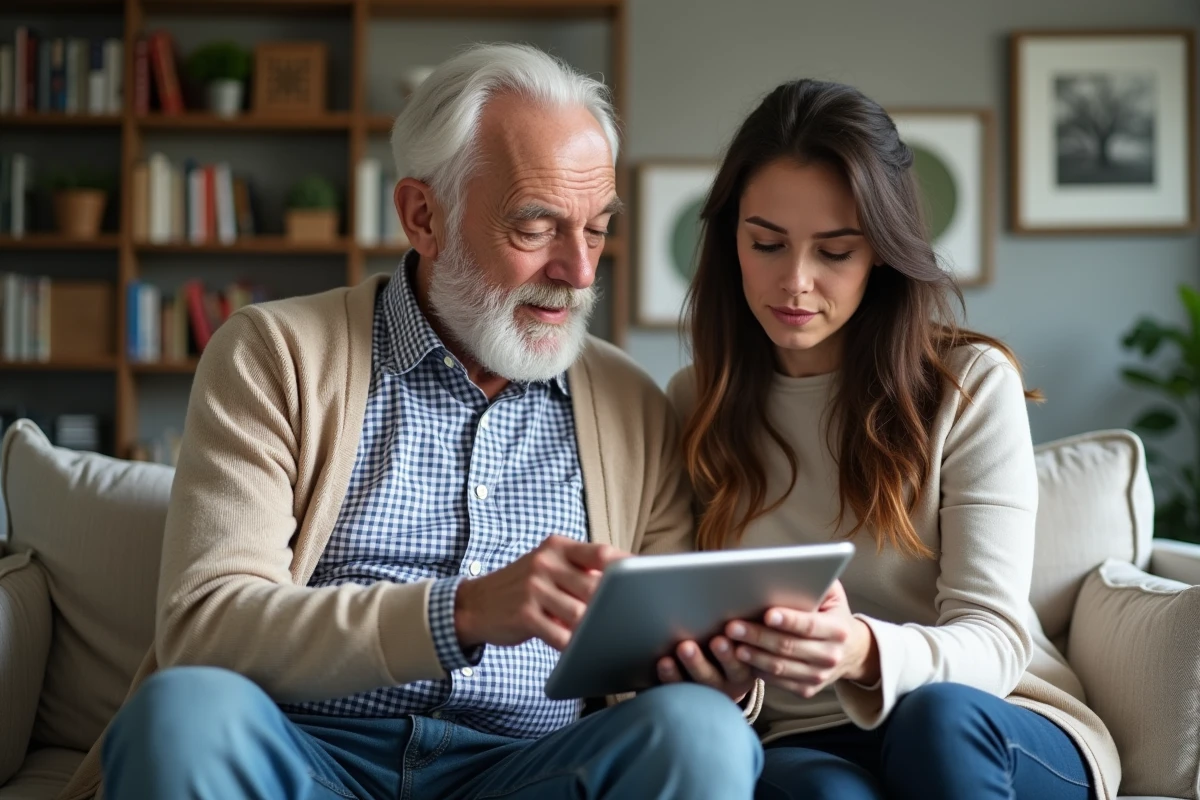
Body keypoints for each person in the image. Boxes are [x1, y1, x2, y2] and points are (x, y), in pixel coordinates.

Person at [59, 43, 764, 800]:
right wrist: (461, 613)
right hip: (304, 754)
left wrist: (719, 675)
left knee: (705, 733)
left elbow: (667, 653)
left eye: (595, 229)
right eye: (536, 227)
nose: (580, 271)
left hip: (532, 770)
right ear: (423, 216)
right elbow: (207, 626)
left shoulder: (631, 403)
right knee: (181, 713)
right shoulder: (275, 355)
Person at [661, 78, 1121, 800]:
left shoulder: (969, 384)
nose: (796, 282)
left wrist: (861, 650)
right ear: (731, 241)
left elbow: (996, 640)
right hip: (803, 735)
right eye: (767, 244)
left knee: (933, 726)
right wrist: (729, 672)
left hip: (992, 713)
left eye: (834, 252)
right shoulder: (696, 401)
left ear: (880, 252)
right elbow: (699, 640)